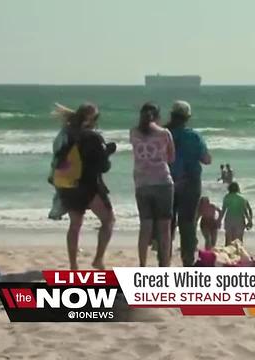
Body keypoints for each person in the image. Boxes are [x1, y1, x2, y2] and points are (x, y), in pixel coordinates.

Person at [52, 103, 116, 270]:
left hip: (69, 185)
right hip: (89, 186)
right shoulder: (93, 137)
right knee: (108, 220)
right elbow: (103, 167)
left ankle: (73, 265)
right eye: (96, 118)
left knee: (75, 225)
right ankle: (98, 259)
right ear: (91, 119)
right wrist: (107, 153)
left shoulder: (66, 134)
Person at [165, 100, 212, 266]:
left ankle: (164, 260)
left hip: (167, 181)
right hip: (190, 183)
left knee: (167, 223)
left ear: (172, 115)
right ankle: (188, 261)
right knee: (187, 223)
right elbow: (206, 159)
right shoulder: (193, 136)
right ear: (187, 117)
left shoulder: (163, 134)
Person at [130, 102, 175, 267]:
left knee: (145, 227)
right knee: (164, 228)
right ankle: (165, 265)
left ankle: (142, 265)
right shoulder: (164, 133)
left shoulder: (133, 132)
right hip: (163, 182)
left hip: (142, 183)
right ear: (157, 116)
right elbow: (171, 158)